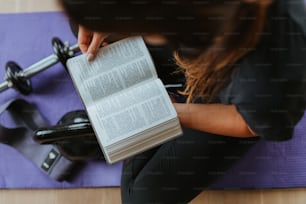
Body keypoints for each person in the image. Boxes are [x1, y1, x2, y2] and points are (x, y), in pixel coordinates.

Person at [58, 0, 306, 203]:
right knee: (85, 28)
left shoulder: (271, 78)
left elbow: (249, 124)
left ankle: (148, 120)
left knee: (139, 199)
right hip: (202, 45)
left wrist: (174, 112)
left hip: (229, 99)